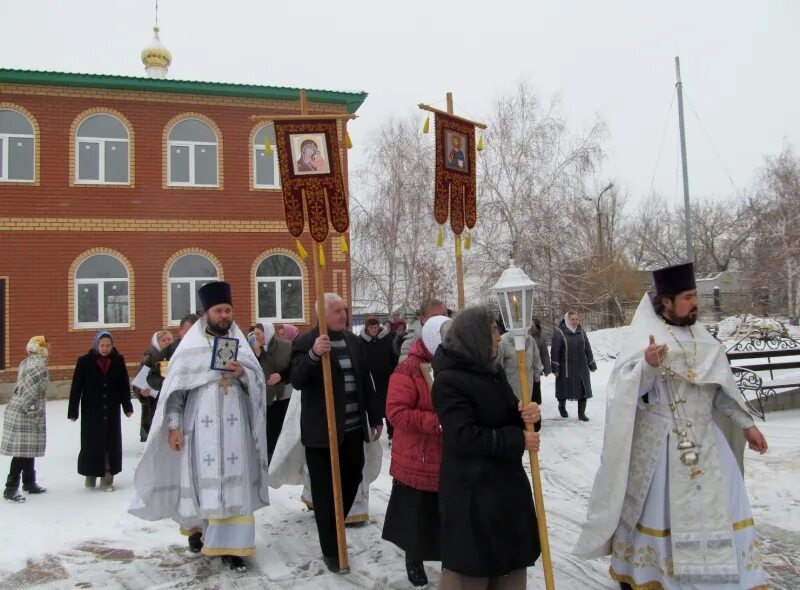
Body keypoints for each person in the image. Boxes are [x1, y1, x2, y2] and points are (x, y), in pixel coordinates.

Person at [574, 262, 769, 590]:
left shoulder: (703, 339)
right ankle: (659, 577)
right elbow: (625, 392)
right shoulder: (644, 338)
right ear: (667, 301)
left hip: (707, 446)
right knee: (660, 515)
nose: (696, 303)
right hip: (662, 449)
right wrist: (648, 367)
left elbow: (718, 390)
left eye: (695, 296)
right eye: (688, 296)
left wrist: (746, 425)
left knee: (721, 510)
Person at [129, 281, 268, 572]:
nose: (224, 315)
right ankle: (198, 530)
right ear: (206, 313)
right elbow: (174, 393)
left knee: (233, 484)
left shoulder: (241, 344)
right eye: (218, 310)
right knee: (201, 481)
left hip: (235, 431)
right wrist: (174, 427)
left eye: (228, 310)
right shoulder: (189, 347)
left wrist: (243, 374)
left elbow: (257, 384)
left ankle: (233, 547)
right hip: (199, 430)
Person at [432, 306, 542, 589]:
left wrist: (527, 417)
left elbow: (504, 415)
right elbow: (463, 436)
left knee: (508, 570)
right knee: (472, 574)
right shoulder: (448, 381)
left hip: (504, 495)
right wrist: (517, 439)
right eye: (493, 330)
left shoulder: (490, 372)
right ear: (475, 336)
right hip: (473, 498)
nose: (498, 336)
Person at [291, 292, 384, 573]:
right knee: (323, 492)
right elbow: (296, 380)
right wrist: (313, 355)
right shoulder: (306, 343)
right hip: (323, 433)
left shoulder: (354, 341)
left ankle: (335, 526)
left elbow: (364, 380)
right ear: (322, 315)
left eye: (344, 310)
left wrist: (375, 416)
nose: (343, 315)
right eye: (337, 311)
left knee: (351, 480)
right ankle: (332, 550)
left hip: (353, 430)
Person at [382, 315, 451, 588]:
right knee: (417, 513)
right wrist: (435, 422)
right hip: (417, 455)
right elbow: (395, 412)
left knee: (447, 512)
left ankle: (450, 558)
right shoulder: (408, 369)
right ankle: (414, 558)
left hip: (448, 454)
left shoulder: (454, 365)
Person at [68, 330, 134, 492]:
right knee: (92, 444)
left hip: (111, 410)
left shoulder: (118, 361)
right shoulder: (85, 361)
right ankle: (90, 474)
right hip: (92, 410)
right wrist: (73, 410)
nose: (105, 348)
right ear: (96, 345)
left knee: (109, 445)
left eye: (108, 345)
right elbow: (76, 387)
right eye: (102, 345)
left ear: (112, 346)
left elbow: (123, 386)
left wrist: (127, 407)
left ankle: (107, 477)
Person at [2, 336, 50, 502]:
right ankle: (11, 487)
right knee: (22, 452)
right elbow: (29, 392)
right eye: (46, 346)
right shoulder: (38, 365)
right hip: (25, 413)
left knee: (29, 448)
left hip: (19, 410)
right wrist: (34, 413)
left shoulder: (27, 362)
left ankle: (29, 482)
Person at [250, 322, 292, 461]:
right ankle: (268, 459)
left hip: (283, 395)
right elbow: (252, 372)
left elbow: (291, 367)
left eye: (258, 334)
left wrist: (280, 376)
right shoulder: (254, 350)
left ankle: (282, 459)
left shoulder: (285, 346)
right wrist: (257, 355)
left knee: (282, 429)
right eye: (254, 334)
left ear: (267, 333)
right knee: (267, 432)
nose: (256, 337)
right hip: (264, 397)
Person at [551, 310, 597, 421]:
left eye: (577, 319)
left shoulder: (581, 331)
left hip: (581, 367)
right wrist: (555, 368)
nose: (575, 321)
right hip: (565, 368)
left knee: (583, 390)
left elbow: (588, 348)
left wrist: (591, 362)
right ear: (567, 319)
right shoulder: (559, 332)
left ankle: (581, 414)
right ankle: (561, 406)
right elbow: (554, 351)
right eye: (572, 319)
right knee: (563, 390)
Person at [360, 316, 398, 440]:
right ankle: (370, 432)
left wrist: (395, 372)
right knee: (372, 406)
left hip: (387, 378)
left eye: (375, 327)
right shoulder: (361, 341)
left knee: (389, 405)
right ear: (367, 328)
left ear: (379, 326)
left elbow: (393, 356)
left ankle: (392, 435)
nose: (373, 330)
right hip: (370, 379)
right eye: (371, 327)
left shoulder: (387, 339)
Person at [133, 330, 174, 442]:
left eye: (169, 339)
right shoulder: (150, 358)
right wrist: (141, 391)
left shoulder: (176, 355)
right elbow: (139, 381)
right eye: (163, 340)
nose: (167, 342)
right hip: (153, 403)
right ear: (157, 342)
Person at [499, 329, 544, 426]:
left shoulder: (530, 340)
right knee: (513, 406)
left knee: (526, 404)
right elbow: (498, 365)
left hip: (527, 380)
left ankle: (526, 424)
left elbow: (536, 358)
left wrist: (537, 371)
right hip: (510, 380)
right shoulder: (503, 341)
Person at [146, 313, 199, 392]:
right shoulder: (168, 352)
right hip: (176, 400)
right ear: (180, 331)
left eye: (196, 332)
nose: (192, 336)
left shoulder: (208, 349)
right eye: (188, 332)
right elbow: (152, 377)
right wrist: (162, 383)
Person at [530, 318, 551, 406]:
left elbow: (544, 354)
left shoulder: (539, 336)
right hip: (521, 369)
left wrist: (547, 368)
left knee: (535, 396)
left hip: (535, 370)